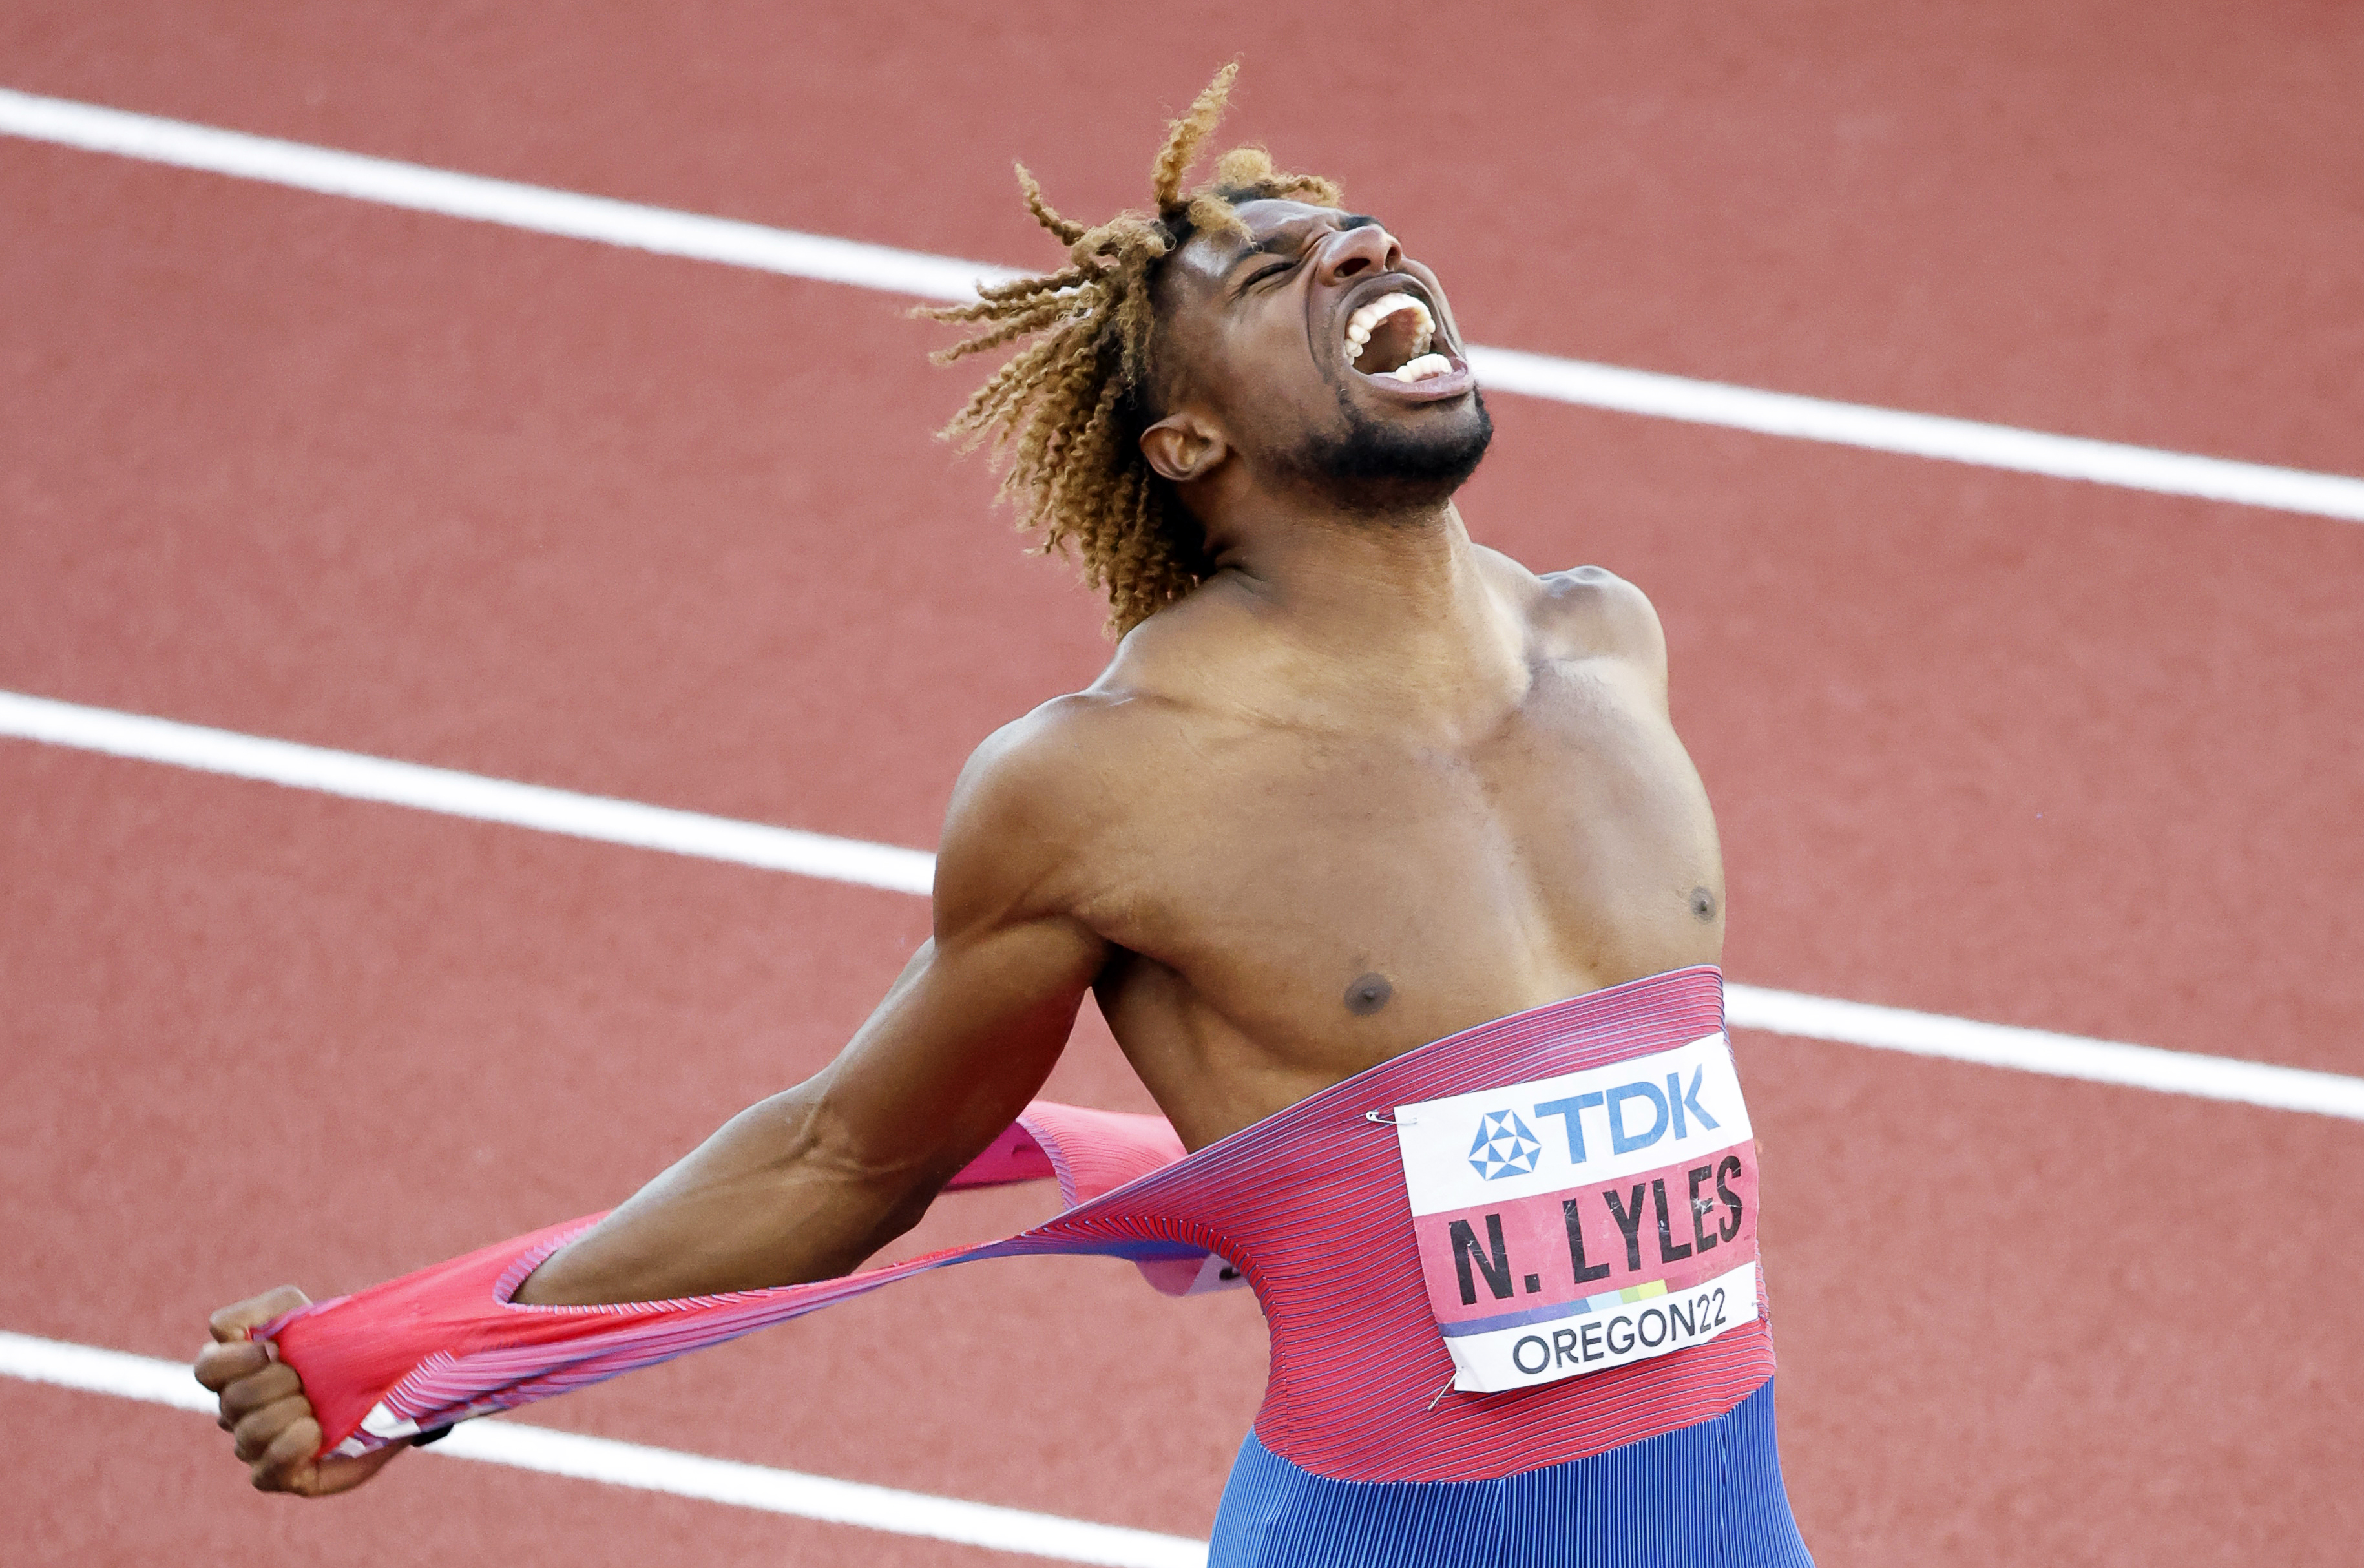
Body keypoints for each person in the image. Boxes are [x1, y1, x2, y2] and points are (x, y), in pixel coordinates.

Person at [196, 66, 1812, 1566]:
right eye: (1273, 275)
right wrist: (433, 1351)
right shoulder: (1106, 784)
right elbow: (845, 1154)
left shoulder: (1608, 645)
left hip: (1736, 1519)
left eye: (1359, 235)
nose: (1360, 249)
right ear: (1189, 441)